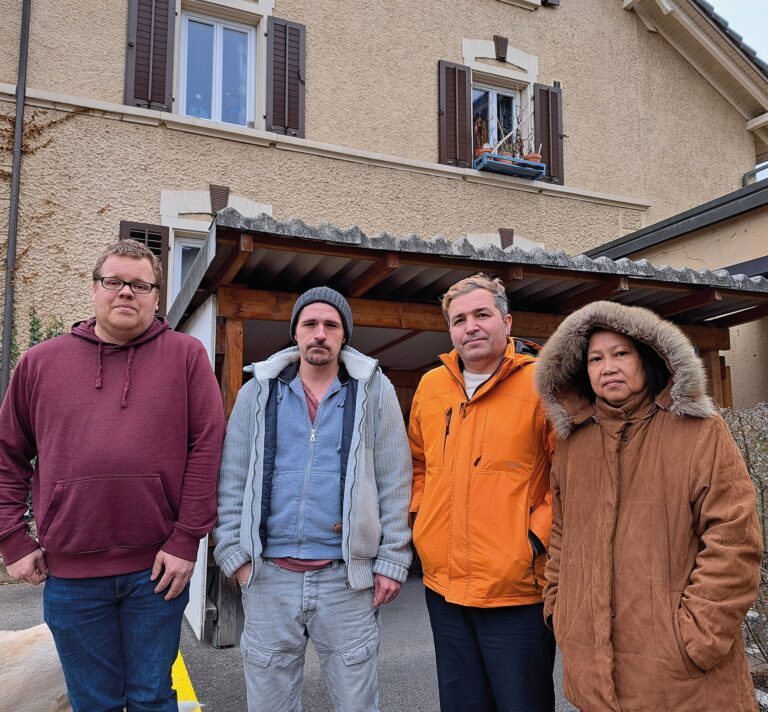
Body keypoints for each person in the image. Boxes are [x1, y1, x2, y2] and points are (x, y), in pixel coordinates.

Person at [0, 240, 225, 712]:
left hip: (158, 571)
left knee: (152, 699)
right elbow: (7, 454)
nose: (126, 292)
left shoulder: (186, 356)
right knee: (92, 703)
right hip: (71, 575)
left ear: (156, 297)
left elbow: (207, 449)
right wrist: (12, 540)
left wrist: (187, 540)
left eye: (140, 285)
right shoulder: (40, 363)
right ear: (94, 289)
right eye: (115, 281)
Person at [535, 300, 762, 712]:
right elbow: (563, 535)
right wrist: (560, 608)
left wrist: (697, 637)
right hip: (594, 670)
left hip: (684, 679)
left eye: (621, 353)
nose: (608, 367)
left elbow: (734, 539)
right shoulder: (573, 443)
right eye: (596, 359)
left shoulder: (698, 430)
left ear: (647, 357)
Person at [214, 286, 412, 712]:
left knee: (357, 705)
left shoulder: (374, 391)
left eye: (331, 325)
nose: (320, 333)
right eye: (310, 324)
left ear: (344, 336)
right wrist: (233, 554)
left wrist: (392, 559)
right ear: (295, 333)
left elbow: (395, 480)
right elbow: (232, 477)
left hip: (346, 581)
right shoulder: (257, 392)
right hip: (268, 577)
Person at [409, 274, 556, 712]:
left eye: (481, 315)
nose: (470, 327)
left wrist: (533, 540)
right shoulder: (431, 387)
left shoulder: (543, 384)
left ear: (506, 322)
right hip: (444, 588)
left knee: (521, 704)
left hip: (517, 590)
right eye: (459, 320)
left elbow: (572, 479)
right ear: (450, 330)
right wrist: (421, 521)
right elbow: (417, 464)